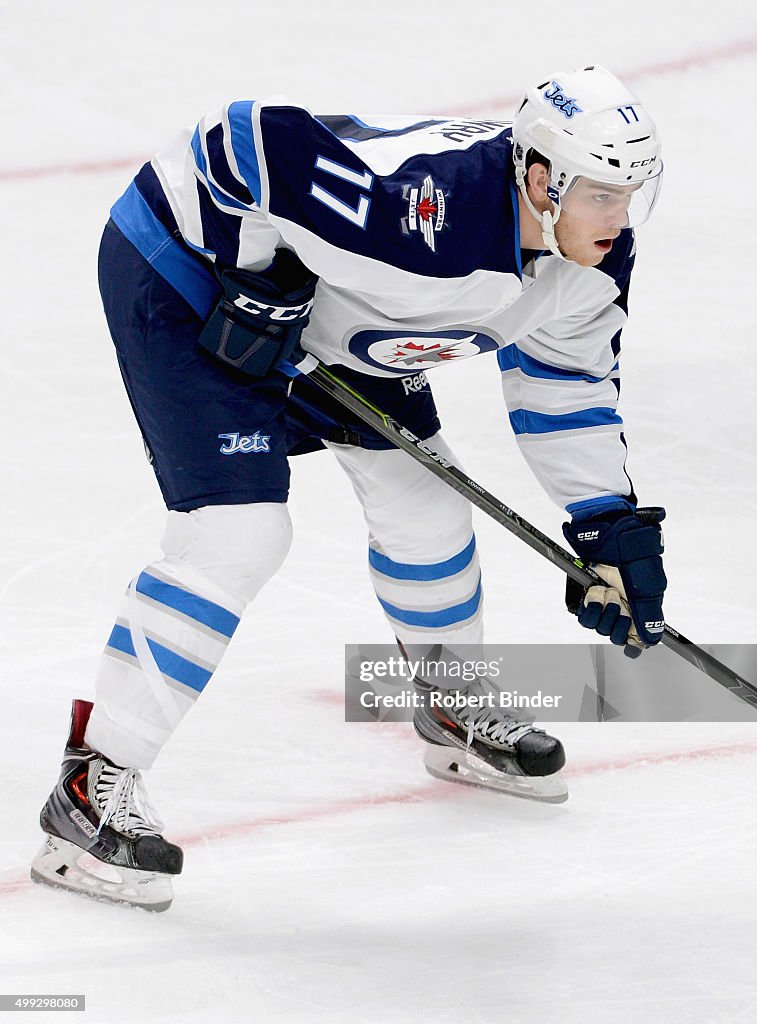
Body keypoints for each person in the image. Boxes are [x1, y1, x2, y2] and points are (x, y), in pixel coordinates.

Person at [32, 65, 668, 911]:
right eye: (600, 194)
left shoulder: (587, 260)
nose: (618, 219)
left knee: (427, 507)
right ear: (542, 179)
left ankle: (451, 709)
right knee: (237, 536)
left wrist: (605, 521)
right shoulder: (421, 216)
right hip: (190, 278)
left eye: (632, 194)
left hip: (344, 324)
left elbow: (565, 388)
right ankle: (88, 787)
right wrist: (257, 275)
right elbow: (242, 137)